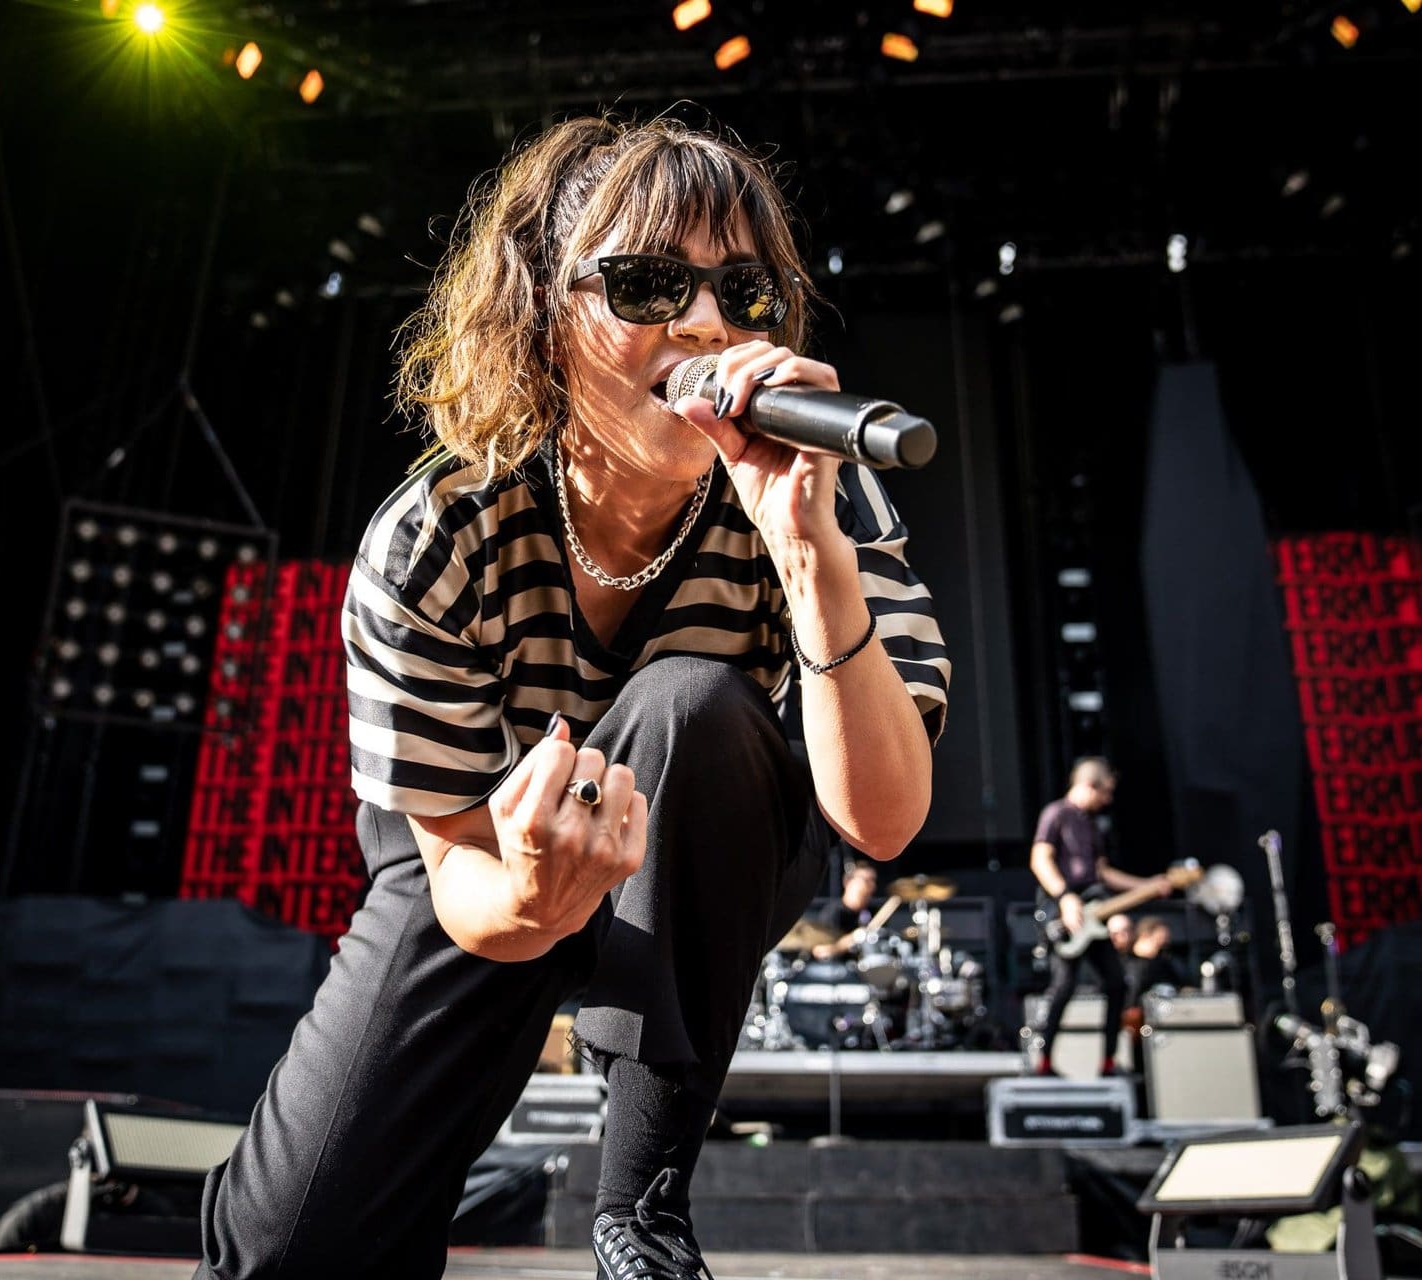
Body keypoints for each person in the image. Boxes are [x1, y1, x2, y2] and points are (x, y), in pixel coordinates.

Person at [194, 113, 949, 1280]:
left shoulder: (821, 503)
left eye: (741, 290)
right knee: (285, 1247)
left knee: (690, 702)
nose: (704, 322)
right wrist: (540, 901)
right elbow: (453, 870)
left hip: (709, 839)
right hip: (480, 853)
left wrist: (809, 555)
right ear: (547, 314)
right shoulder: (438, 534)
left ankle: (640, 1209)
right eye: (649, 283)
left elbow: (885, 820)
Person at [1028, 758, 1170, 1077]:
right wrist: (1065, 898)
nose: (1108, 800)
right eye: (1105, 792)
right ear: (1090, 785)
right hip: (1066, 914)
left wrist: (1148, 885)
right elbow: (1040, 859)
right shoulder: (1056, 814)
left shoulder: (1091, 825)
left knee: (1117, 984)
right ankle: (1045, 1061)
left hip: (1095, 912)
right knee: (1063, 986)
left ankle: (1107, 1061)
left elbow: (1102, 873)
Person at [809, 860, 879, 961]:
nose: (872, 886)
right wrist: (852, 939)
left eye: (873, 880)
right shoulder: (833, 913)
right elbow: (820, 951)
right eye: (866, 880)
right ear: (848, 882)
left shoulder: (873, 912)